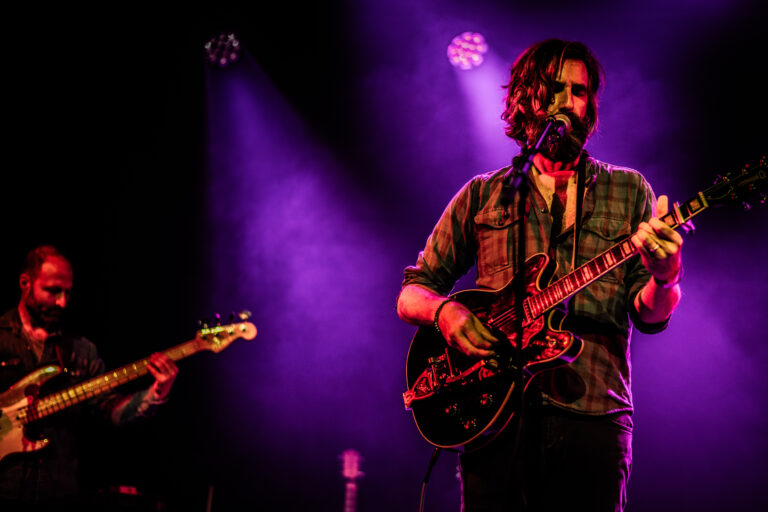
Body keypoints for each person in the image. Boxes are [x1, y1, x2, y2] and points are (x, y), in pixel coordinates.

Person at [397, 39, 683, 511]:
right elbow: (413, 292)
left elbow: (649, 315)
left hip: (594, 413)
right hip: (497, 417)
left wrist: (666, 275)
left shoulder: (629, 190)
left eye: (579, 91)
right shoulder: (485, 194)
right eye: (554, 89)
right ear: (525, 99)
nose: (569, 102)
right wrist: (445, 312)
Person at [0, 245, 179, 507]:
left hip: (58, 492)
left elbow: (110, 410)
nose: (62, 302)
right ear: (25, 283)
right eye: (52, 291)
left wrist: (156, 392)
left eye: (68, 293)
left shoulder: (82, 351)